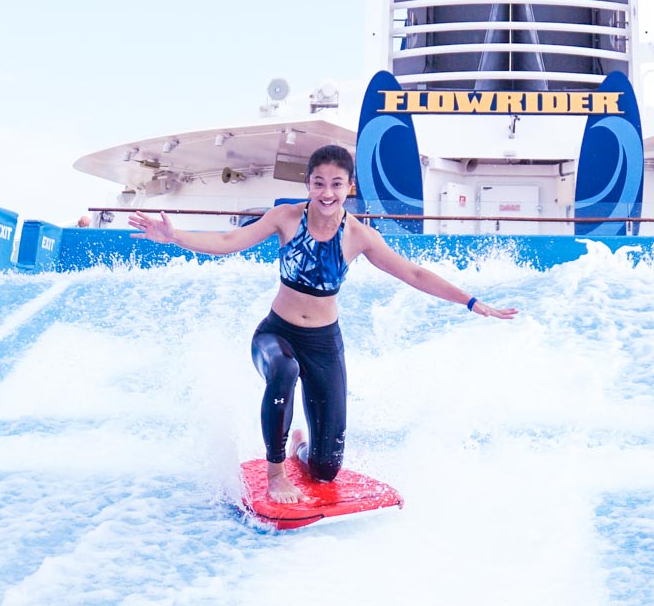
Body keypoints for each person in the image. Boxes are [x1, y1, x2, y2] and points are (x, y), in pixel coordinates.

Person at [128, 144, 516, 503]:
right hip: (276, 334)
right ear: (309, 184)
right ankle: (276, 472)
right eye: (318, 183)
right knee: (284, 370)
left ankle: (299, 447)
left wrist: (471, 302)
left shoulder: (359, 236)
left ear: (349, 187)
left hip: (324, 345)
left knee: (326, 470)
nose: (326, 193)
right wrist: (175, 237)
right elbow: (231, 239)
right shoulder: (285, 218)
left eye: (336, 184)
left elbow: (413, 274)